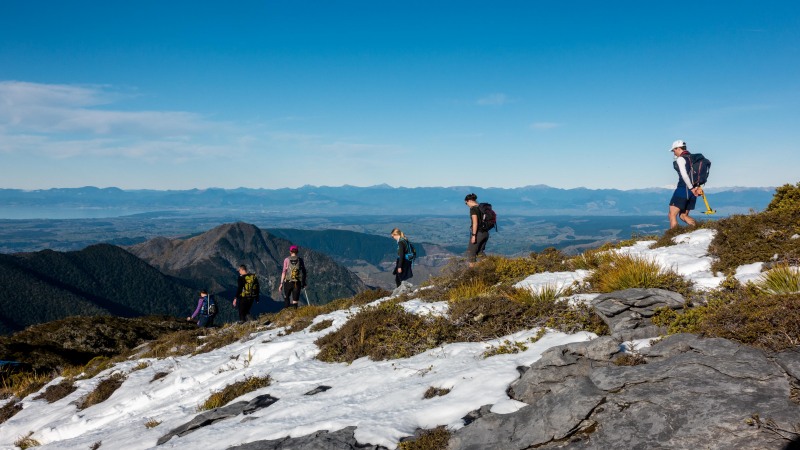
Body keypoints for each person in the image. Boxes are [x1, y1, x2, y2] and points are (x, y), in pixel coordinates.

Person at [668, 140, 702, 229]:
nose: (673, 153)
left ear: (678, 148)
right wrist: (695, 188)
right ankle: (699, 229)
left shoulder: (681, 159)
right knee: (683, 215)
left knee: (672, 215)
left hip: (684, 189)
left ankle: (672, 237)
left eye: (674, 150)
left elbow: (684, 175)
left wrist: (691, 188)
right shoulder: (693, 158)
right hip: (694, 190)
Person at [465, 193, 489, 267]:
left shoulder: (474, 209)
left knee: (471, 253)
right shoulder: (481, 208)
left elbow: (475, 223)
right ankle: (490, 266)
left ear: (469, 201)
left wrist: (474, 235)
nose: (467, 205)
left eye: (466, 203)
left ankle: (472, 274)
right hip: (485, 233)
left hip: (478, 233)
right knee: (480, 252)